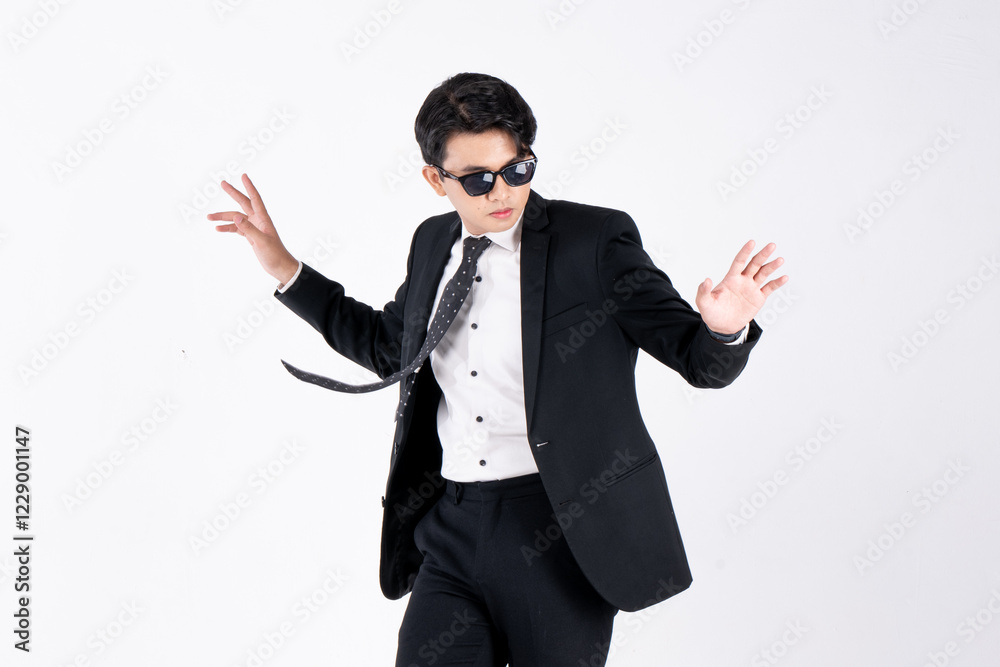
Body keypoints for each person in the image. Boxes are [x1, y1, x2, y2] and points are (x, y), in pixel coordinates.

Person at [209, 72, 788, 666]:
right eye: (478, 179)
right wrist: (283, 266)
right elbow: (388, 347)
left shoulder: (593, 242)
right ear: (436, 179)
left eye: (516, 169)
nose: (502, 191)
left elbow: (700, 362)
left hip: (559, 530)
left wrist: (724, 328)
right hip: (451, 527)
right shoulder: (432, 243)